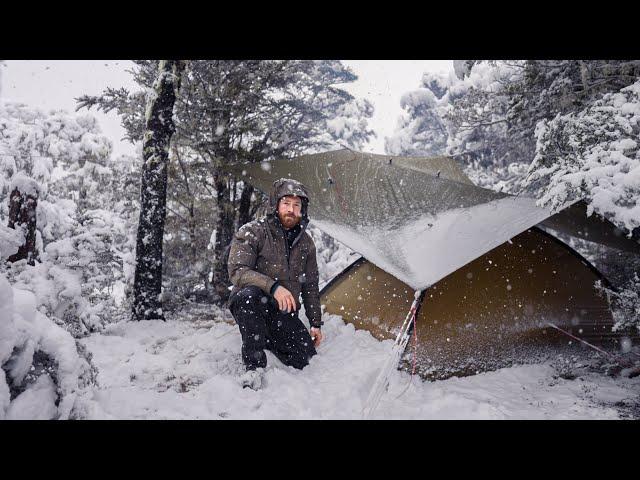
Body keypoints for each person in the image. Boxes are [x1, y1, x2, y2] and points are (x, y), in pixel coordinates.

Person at [227, 178, 323, 389]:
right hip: (253, 302)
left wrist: (315, 323)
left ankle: (266, 336)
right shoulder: (253, 231)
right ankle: (254, 367)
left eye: (296, 205)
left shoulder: (306, 243)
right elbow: (238, 271)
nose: (291, 209)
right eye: (286, 203)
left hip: (282, 311)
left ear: (302, 210)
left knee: (305, 358)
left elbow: (311, 285)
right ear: (276, 205)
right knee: (248, 296)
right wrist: (273, 287)